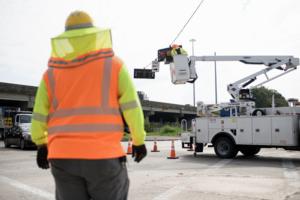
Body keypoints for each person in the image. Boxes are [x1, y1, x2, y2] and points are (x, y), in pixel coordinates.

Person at [31, 10, 147, 200]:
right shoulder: (114, 65)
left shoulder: (50, 73)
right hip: (103, 156)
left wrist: (41, 143)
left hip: (62, 157)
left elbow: (39, 113)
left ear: (67, 39)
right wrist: (138, 140)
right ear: (94, 36)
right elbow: (131, 107)